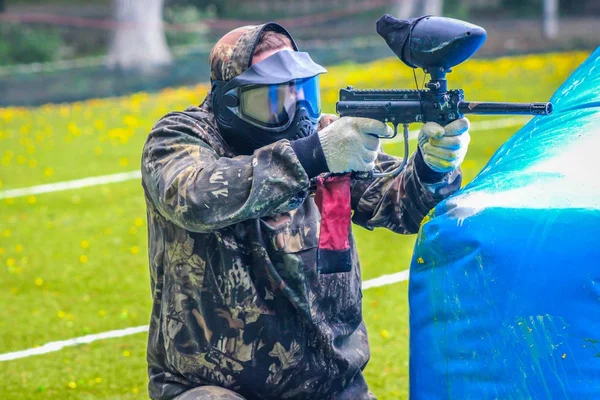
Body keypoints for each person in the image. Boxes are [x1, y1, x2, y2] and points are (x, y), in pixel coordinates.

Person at [141, 22, 470, 400]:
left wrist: (431, 167)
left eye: (303, 92)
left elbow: (398, 206)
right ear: (233, 102)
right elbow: (196, 196)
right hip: (212, 386)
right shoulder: (178, 138)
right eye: (274, 97)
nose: (298, 111)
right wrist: (313, 155)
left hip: (329, 384)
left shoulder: (327, 139)